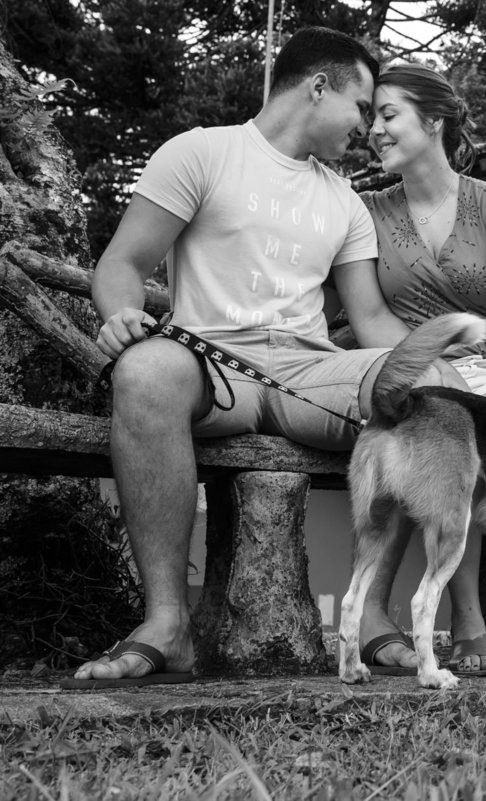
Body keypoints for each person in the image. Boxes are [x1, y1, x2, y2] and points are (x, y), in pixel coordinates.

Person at [67, 27, 417, 686]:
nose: (368, 129)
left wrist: (447, 356)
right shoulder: (202, 153)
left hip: (304, 373)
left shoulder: (345, 201)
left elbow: (369, 319)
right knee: (144, 370)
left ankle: (367, 615)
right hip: (214, 365)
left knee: (417, 386)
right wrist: (120, 315)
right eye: (363, 108)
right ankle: (167, 622)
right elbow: (123, 263)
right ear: (319, 86)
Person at [352, 62, 486, 678]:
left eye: (388, 114)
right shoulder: (366, 211)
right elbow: (368, 316)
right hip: (415, 365)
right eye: (371, 116)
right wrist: (425, 360)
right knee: (449, 434)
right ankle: (467, 618)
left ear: (435, 120)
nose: (374, 129)